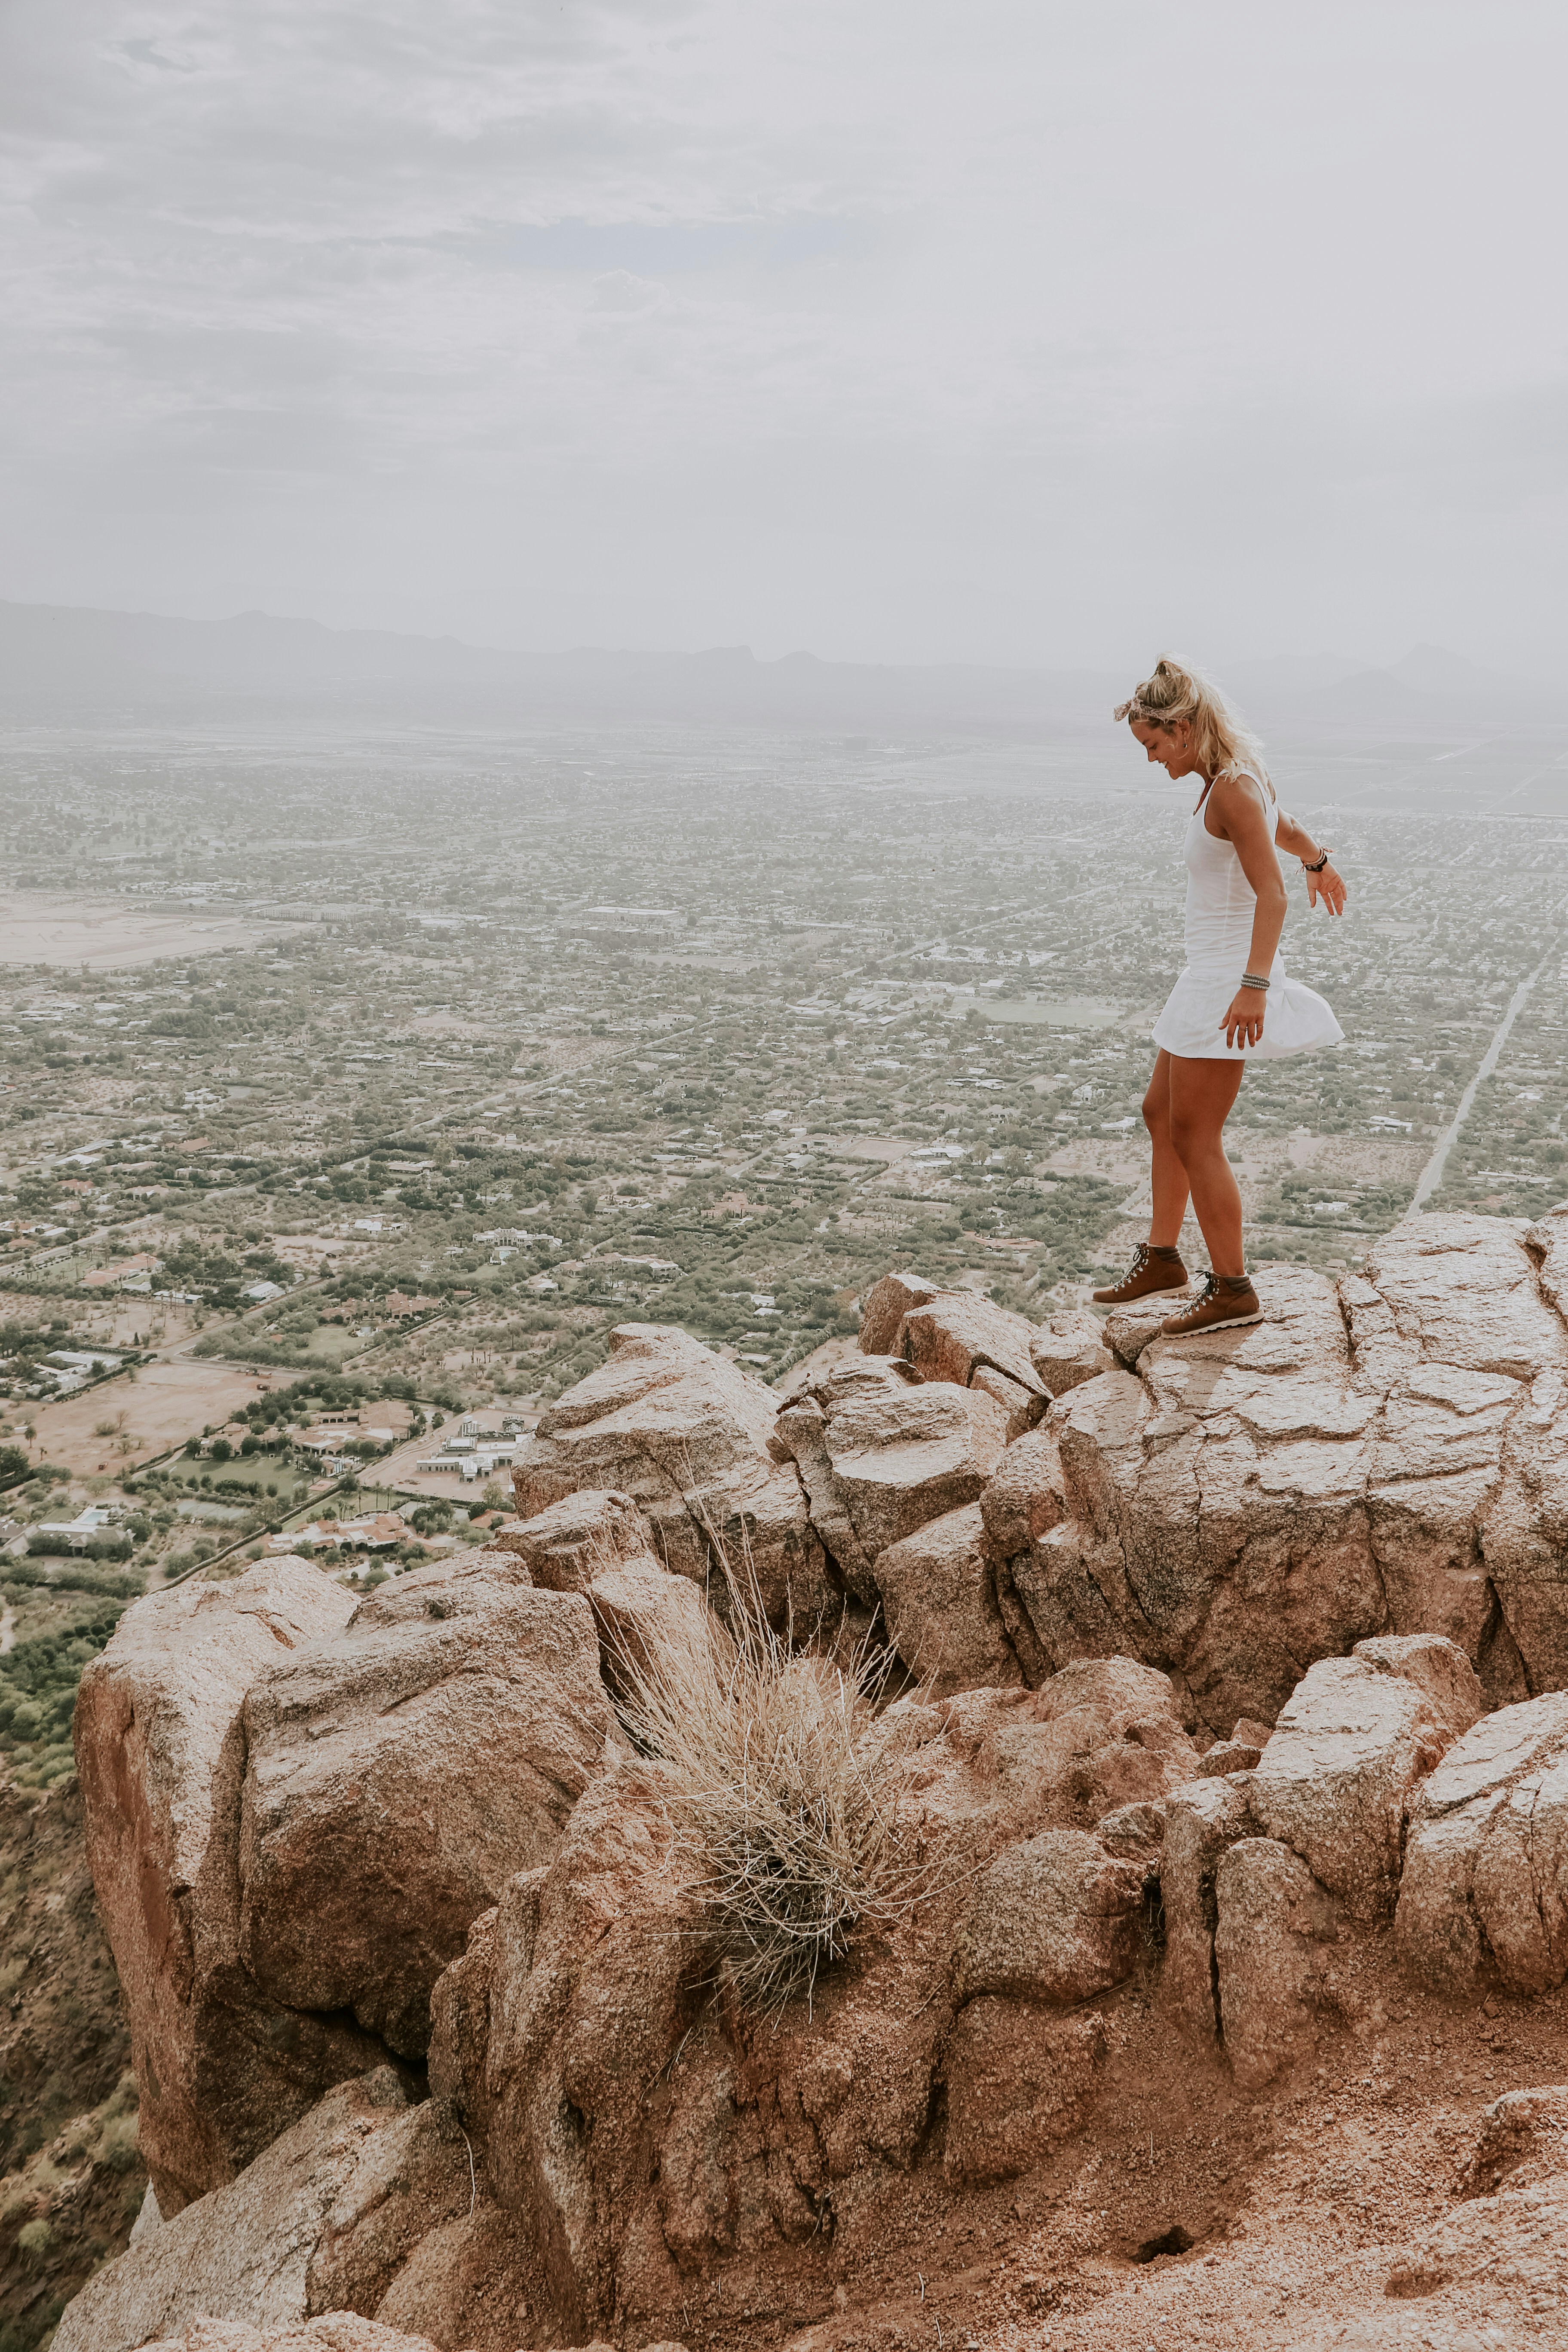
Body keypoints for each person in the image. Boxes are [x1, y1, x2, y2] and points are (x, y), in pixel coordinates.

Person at [1092, 655, 1348, 1336]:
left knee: (1194, 1134)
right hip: (1206, 975)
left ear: (1184, 728)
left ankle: (1233, 1289)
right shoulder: (1229, 782)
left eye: (1152, 745)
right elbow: (1281, 827)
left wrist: (1254, 988)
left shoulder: (1231, 788)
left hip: (1228, 978)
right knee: (1160, 1114)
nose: (1150, 760)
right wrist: (1319, 858)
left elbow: (1271, 894)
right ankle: (1164, 1258)